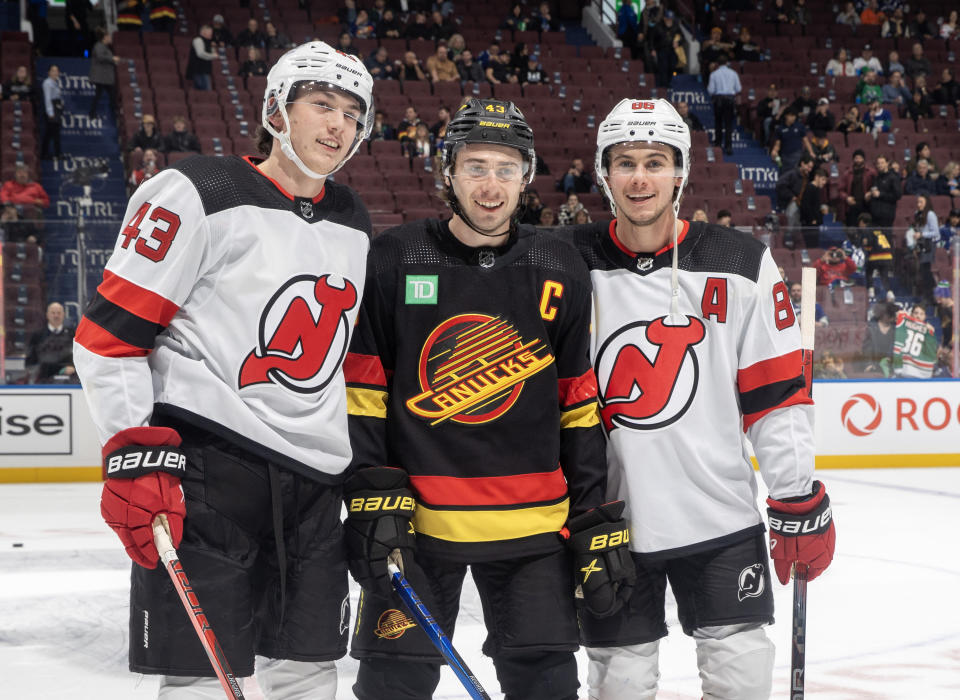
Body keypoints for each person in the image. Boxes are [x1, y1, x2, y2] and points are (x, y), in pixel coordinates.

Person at [72, 42, 375, 699]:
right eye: (321, 105)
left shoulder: (353, 218)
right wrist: (134, 453)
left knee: (309, 672)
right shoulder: (194, 190)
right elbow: (109, 337)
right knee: (200, 678)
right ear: (276, 109)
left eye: (353, 114)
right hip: (210, 473)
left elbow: (345, 364)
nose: (338, 126)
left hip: (315, 487)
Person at [343, 97, 628, 700]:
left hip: (534, 526)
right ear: (447, 172)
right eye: (475, 167)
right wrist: (371, 487)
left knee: (546, 686)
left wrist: (591, 517)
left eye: (505, 168)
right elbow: (365, 388)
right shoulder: (395, 257)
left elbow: (577, 402)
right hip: (417, 523)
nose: (490, 185)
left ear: (526, 176)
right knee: (390, 687)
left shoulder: (558, 262)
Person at [564, 97, 834, 700]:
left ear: (680, 172)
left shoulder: (739, 263)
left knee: (739, 684)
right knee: (619, 688)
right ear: (604, 172)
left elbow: (777, 394)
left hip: (719, 519)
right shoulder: (566, 263)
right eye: (625, 162)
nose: (640, 178)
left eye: (655, 162)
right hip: (610, 526)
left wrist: (795, 496)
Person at [27, 302, 77, 384]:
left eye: (59, 313)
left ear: (63, 315)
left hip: (69, 381)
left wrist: (73, 367)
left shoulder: (72, 334)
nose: (56, 316)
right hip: (43, 380)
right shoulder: (38, 335)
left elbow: (79, 357)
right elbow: (30, 361)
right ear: (47, 315)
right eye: (53, 313)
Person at [907, 194, 939, 305]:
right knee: (922, 271)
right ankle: (929, 294)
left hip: (929, 245)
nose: (919, 204)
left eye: (921, 202)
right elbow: (916, 230)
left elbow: (936, 232)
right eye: (918, 202)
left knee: (925, 271)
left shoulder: (930, 214)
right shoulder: (917, 214)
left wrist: (922, 234)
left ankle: (931, 295)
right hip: (920, 245)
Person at [706, 54, 740, 156]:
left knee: (718, 123)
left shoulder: (714, 74)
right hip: (729, 100)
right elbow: (738, 89)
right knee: (729, 124)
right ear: (727, 63)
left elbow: (711, 90)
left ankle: (718, 145)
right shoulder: (733, 73)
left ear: (718, 63)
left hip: (719, 100)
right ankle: (728, 146)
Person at [856, 212, 894, 300]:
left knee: (869, 271)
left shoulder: (867, 230)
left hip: (876, 255)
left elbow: (867, 242)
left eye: (859, 223)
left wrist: (864, 244)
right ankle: (889, 292)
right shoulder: (879, 229)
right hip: (887, 255)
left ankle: (871, 291)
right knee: (884, 274)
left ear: (862, 222)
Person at [893, 305, 938, 377]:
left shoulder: (928, 331)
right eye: (916, 313)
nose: (918, 316)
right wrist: (900, 315)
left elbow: (932, 355)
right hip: (903, 371)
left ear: (925, 316)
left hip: (919, 374)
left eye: (921, 314)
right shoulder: (904, 325)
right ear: (911, 314)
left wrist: (930, 335)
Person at [860, 302, 898, 376]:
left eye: (892, 313)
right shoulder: (871, 329)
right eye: (890, 313)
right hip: (874, 368)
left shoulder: (896, 329)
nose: (893, 316)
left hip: (891, 368)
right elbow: (866, 349)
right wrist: (868, 365)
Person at [839, 149, 875, 226]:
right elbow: (841, 190)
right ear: (853, 159)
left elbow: (876, 186)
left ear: (864, 159)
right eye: (856, 158)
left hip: (866, 205)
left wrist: (870, 193)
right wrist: (847, 198)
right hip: (852, 205)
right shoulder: (847, 174)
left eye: (860, 158)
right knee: (852, 229)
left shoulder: (871, 172)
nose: (858, 160)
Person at [865, 154, 900, 229]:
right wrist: (870, 194)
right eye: (878, 163)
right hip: (875, 214)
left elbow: (897, 195)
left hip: (886, 215)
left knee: (885, 239)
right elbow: (875, 190)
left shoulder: (893, 177)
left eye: (882, 163)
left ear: (887, 163)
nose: (880, 165)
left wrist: (881, 194)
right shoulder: (876, 178)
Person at [41, 64, 63, 160]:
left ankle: (45, 153)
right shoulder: (47, 83)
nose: (55, 73)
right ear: (49, 72)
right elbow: (47, 98)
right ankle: (57, 154)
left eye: (56, 71)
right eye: (53, 71)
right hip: (52, 110)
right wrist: (50, 112)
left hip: (56, 109)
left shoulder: (55, 82)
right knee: (53, 133)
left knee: (50, 133)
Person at [185, 24, 216, 90]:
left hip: (205, 71)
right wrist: (212, 56)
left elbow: (213, 53)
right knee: (206, 91)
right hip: (198, 70)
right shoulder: (198, 40)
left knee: (204, 90)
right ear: (203, 32)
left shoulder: (208, 42)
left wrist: (213, 47)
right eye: (209, 32)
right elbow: (200, 54)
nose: (211, 34)